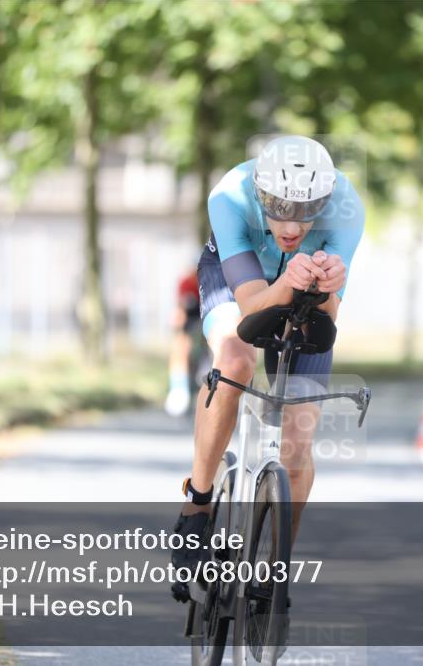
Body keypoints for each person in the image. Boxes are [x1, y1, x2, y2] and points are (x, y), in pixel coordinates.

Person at [171, 135, 364, 572]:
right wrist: (289, 283)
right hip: (239, 279)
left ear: (327, 200)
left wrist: (327, 289)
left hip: (301, 289)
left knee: (298, 442)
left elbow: (327, 321)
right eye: (278, 207)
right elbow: (252, 307)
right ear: (260, 194)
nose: (292, 226)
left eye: (307, 210)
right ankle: (197, 506)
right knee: (235, 361)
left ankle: (274, 569)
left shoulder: (347, 207)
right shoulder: (229, 195)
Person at [164, 269, 204, 417]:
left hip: (209, 317)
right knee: (180, 345)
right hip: (191, 319)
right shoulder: (187, 283)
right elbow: (181, 308)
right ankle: (178, 389)